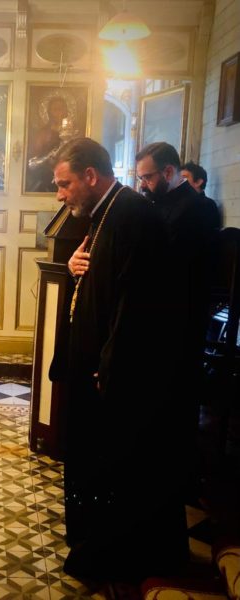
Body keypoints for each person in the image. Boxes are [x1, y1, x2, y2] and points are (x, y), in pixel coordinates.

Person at [50, 138, 189, 586]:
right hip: (96, 366)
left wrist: (108, 367)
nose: (60, 195)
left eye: (64, 184)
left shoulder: (131, 215)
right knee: (92, 462)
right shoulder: (105, 212)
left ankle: (110, 556)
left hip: (117, 375)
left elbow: (136, 306)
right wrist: (73, 269)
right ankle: (90, 540)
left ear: (90, 176)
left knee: (116, 468)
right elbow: (100, 285)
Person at [136, 143, 221, 497]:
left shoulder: (197, 208)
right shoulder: (161, 202)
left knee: (178, 395)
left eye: (148, 177)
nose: (143, 185)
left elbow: (171, 265)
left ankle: (178, 475)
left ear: (169, 172)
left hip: (180, 317)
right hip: (164, 314)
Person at [26, 95, 70, 193]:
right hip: (46, 171)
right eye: (55, 109)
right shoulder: (43, 133)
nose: (59, 112)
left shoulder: (73, 132)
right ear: (49, 112)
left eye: (61, 108)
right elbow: (35, 157)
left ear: (66, 111)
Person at [180, 160, 223, 229]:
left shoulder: (208, 205)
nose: (179, 181)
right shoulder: (179, 201)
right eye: (179, 178)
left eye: (184, 177)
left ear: (198, 182)